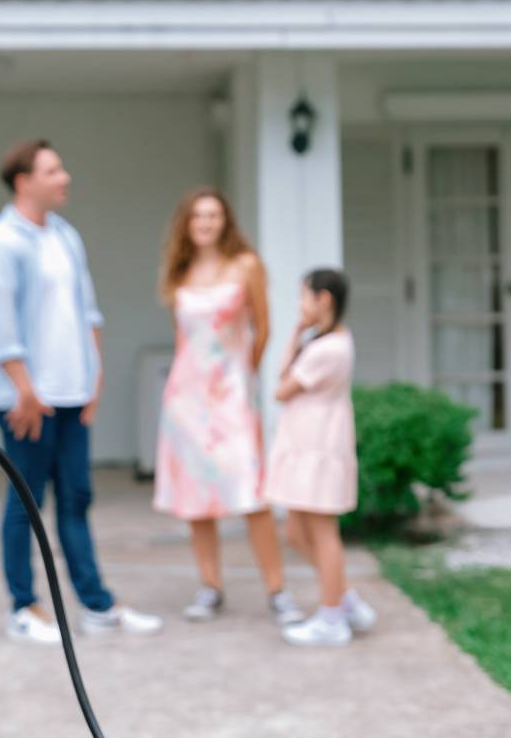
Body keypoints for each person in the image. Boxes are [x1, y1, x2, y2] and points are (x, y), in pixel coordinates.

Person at [0, 139, 162, 645]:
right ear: (23, 181)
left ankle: (97, 605)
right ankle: (25, 608)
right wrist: (25, 391)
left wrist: (93, 377)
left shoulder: (65, 236)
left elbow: (88, 312)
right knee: (26, 501)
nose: (65, 178)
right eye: (53, 170)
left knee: (76, 498)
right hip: (27, 399)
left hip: (73, 393)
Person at [154, 186, 304, 625]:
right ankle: (210, 586)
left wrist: (245, 377)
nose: (205, 223)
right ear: (187, 222)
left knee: (252, 493)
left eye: (214, 215)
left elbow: (264, 326)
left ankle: (277, 590)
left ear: (226, 221)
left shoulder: (246, 266)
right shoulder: (180, 272)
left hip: (232, 395)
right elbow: (184, 339)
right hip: (185, 398)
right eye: (198, 216)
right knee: (196, 497)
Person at [264, 268, 377, 647]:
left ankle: (332, 618)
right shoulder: (324, 341)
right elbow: (282, 381)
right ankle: (344, 600)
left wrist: (296, 341)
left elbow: (280, 389)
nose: (300, 305)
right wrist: (296, 335)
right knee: (296, 531)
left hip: (319, 448)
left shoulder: (330, 349)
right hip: (307, 446)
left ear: (323, 299)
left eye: (304, 297)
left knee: (322, 532)